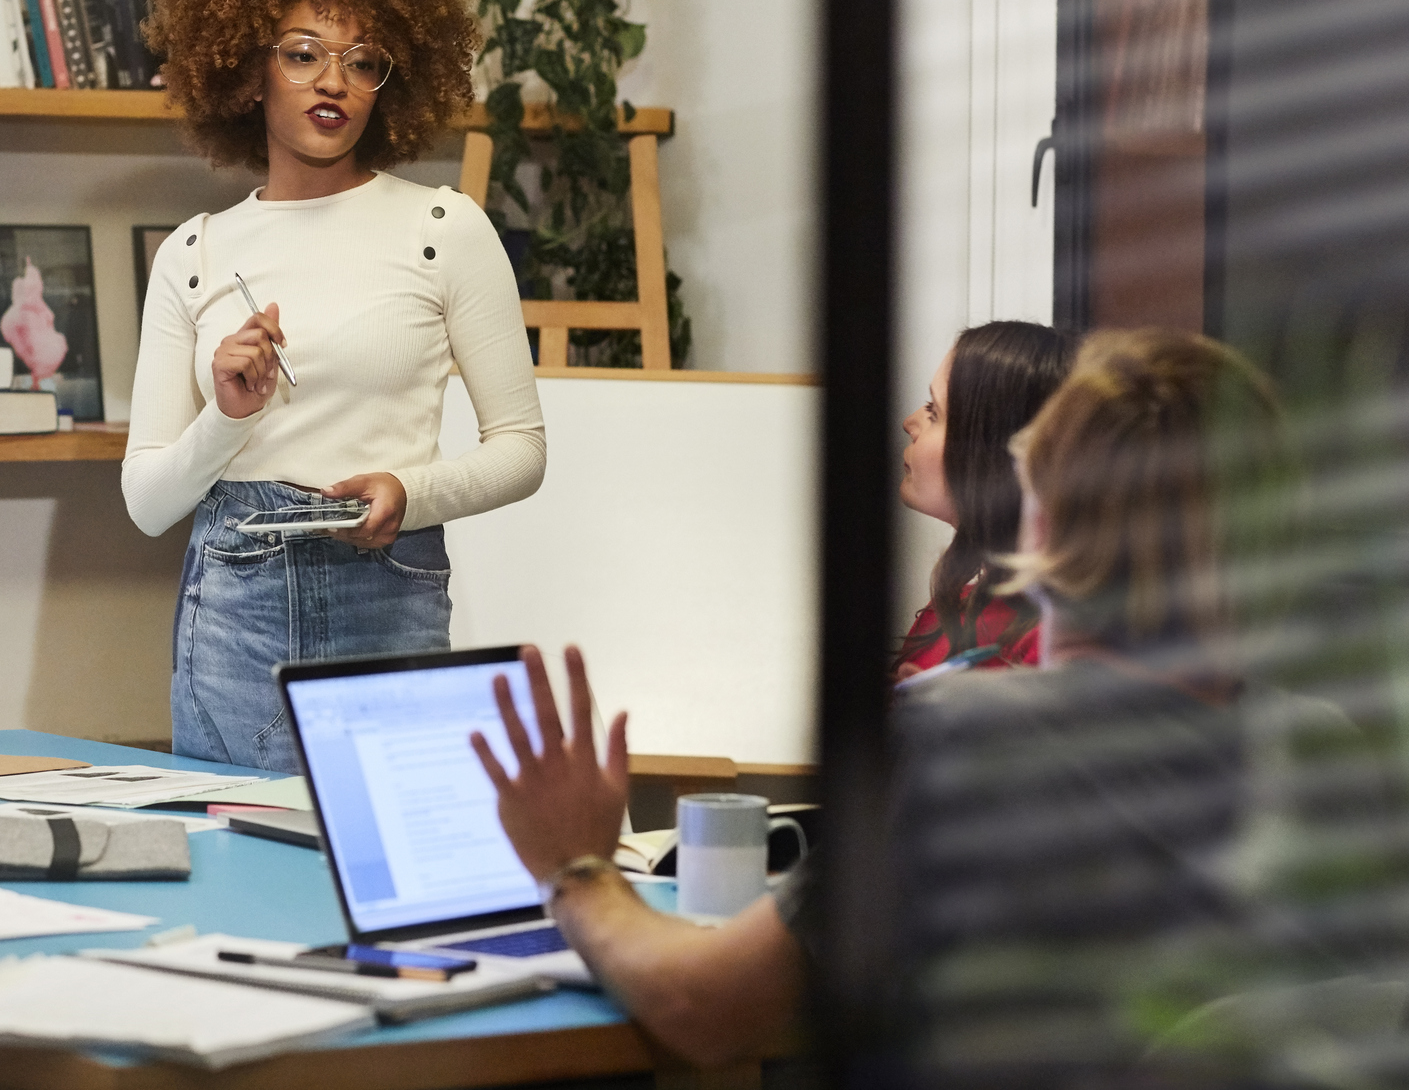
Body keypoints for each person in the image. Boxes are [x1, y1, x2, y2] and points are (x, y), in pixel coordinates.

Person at [473, 330, 1322, 1079]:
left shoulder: (972, 736)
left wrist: (574, 868)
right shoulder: (1324, 749)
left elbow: (709, 1013)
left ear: (1045, 516)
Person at [127, 0, 547, 771]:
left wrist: (410, 491)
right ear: (247, 71)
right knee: (232, 871)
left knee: (393, 876)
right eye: (303, 52)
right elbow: (147, 501)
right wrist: (228, 416)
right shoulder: (195, 253)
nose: (335, 81)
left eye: (364, 61)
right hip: (232, 608)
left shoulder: (444, 228)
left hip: (387, 596)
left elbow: (522, 450)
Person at [894, 321, 1076, 677]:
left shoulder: (1054, 641)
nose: (909, 422)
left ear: (996, 455)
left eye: (934, 412)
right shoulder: (953, 608)